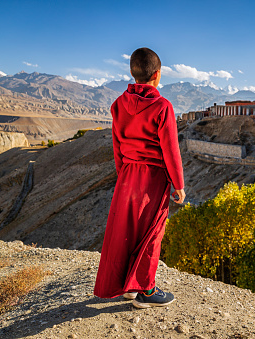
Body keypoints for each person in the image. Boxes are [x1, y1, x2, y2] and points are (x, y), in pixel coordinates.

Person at [94, 47, 185, 309]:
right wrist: (178, 184)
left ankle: (127, 288)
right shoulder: (162, 106)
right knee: (151, 232)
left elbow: (117, 145)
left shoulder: (118, 104)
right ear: (157, 75)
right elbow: (171, 149)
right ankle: (146, 289)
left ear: (132, 74)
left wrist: (123, 174)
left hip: (127, 175)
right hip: (153, 178)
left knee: (127, 230)